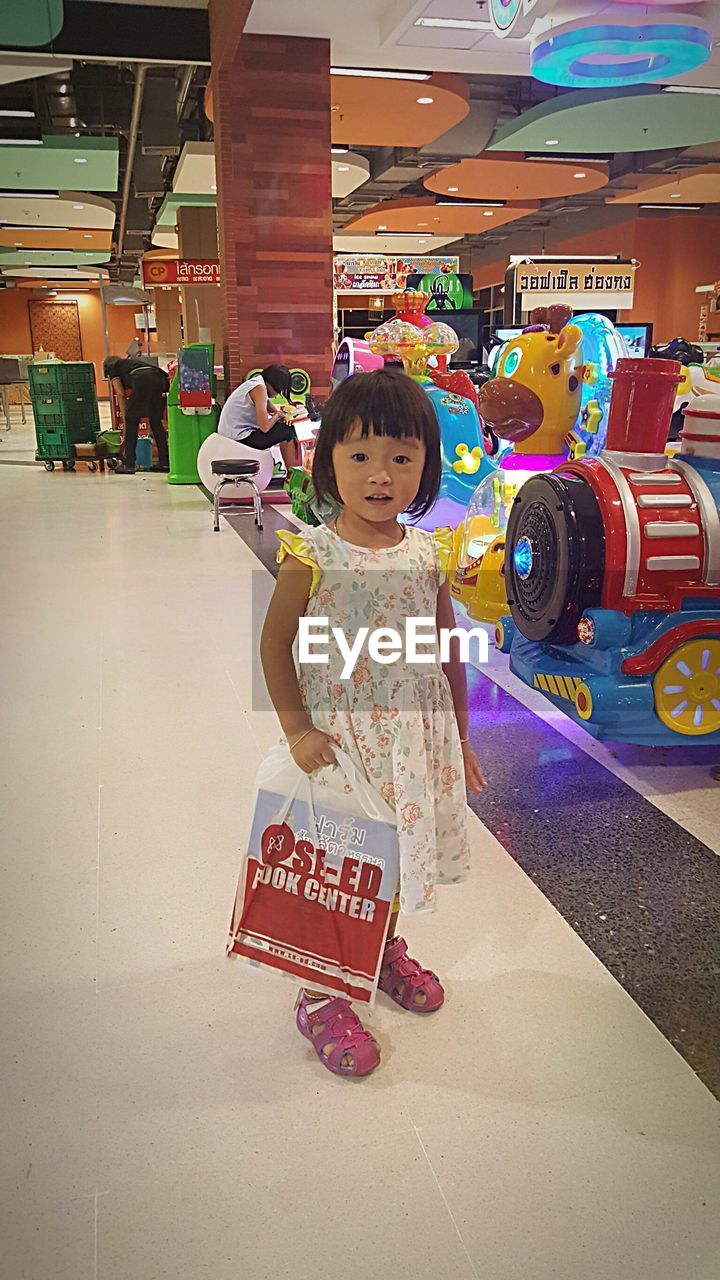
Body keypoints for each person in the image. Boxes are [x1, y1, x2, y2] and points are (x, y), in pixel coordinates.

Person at [260, 368, 485, 1078]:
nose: (380, 475)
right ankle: (322, 990)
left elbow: (443, 646)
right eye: (359, 456)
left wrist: (462, 732)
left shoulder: (427, 552)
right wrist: (298, 730)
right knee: (340, 867)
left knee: (389, 860)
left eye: (401, 456)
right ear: (328, 463)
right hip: (343, 749)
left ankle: (380, 948)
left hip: (413, 745)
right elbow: (275, 644)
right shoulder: (312, 553)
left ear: (426, 464)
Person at [218, 364, 300, 473]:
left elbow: (267, 405)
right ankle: (294, 474)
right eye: (278, 391)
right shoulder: (260, 389)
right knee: (289, 431)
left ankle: (291, 473)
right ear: (273, 385)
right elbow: (265, 427)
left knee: (284, 429)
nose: (276, 395)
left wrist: (278, 414)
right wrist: (276, 416)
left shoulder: (256, 383)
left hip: (230, 435)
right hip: (239, 438)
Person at [103, 356, 170, 475]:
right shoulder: (130, 364)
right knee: (155, 421)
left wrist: (125, 418)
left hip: (143, 379)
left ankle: (128, 464)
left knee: (131, 420)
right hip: (160, 378)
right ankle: (164, 462)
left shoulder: (113, 367)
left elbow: (120, 393)